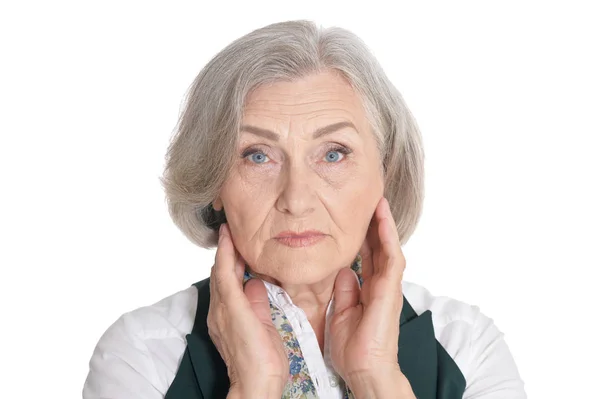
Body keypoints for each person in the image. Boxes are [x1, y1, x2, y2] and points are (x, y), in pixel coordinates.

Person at [82, 20, 527, 399]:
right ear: (213, 181)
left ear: (386, 171)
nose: (296, 199)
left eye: (333, 153)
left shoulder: (464, 342)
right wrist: (253, 386)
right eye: (257, 155)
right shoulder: (143, 353)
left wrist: (376, 378)